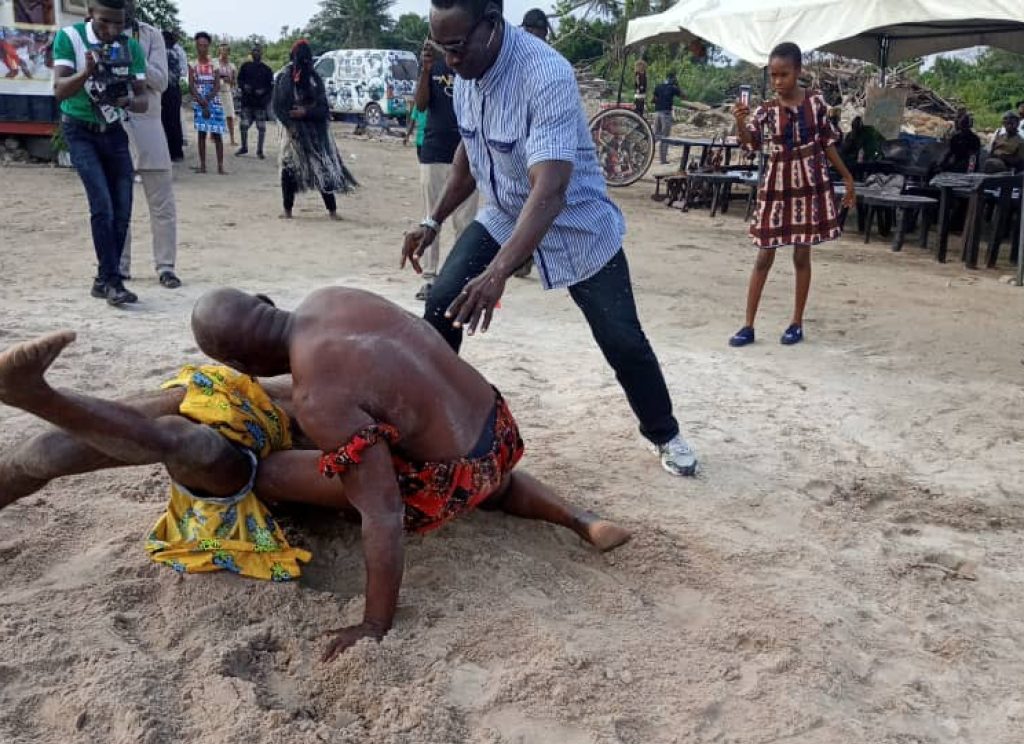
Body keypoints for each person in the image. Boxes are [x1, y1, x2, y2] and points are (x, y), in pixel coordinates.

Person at [0, 288, 633, 658]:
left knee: (250, 465)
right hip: (495, 439)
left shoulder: (319, 400)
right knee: (206, 401)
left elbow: (382, 510)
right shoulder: (334, 301)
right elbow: (341, 391)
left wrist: (374, 621)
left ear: (242, 356)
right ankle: (583, 521)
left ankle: (43, 409)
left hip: (442, 486)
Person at [401, 0, 698, 478]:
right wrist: (432, 221)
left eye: (456, 47)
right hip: (504, 211)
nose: (450, 59)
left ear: (492, 25)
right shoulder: (466, 73)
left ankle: (664, 433)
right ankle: (428, 427)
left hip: (574, 222)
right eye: (441, 47)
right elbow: (468, 153)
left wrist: (498, 271)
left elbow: (552, 189)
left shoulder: (545, 75)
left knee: (621, 339)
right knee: (441, 305)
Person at [0, 335, 313, 580]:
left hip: (254, 467)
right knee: (195, 398)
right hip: (257, 414)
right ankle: (37, 399)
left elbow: (299, 477)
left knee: (190, 440)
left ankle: (41, 399)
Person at [729, 41, 856, 348]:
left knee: (802, 255)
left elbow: (827, 143)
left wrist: (848, 179)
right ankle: (748, 325)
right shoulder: (765, 111)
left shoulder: (816, 104)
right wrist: (739, 122)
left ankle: (796, 323)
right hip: (776, 186)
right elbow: (751, 144)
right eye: (773, 76)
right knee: (764, 255)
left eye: (783, 75)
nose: (778, 82)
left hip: (809, 184)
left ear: (798, 72)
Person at [52, 0, 148, 307]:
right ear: (90, 14)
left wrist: (127, 101)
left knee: (123, 209)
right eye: (106, 22)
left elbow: (143, 98)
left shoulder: (129, 46)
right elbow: (60, 89)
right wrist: (87, 72)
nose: (113, 29)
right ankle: (114, 281)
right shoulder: (71, 38)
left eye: (119, 23)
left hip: (114, 130)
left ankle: (103, 280)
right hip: (79, 130)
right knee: (102, 205)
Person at [411, 38, 478, 301]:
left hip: (469, 152)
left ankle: (461, 278)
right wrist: (426, 70)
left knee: (465, 221)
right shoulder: (433, 65)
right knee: (431, 217)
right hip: (435, 150)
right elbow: (420, 105)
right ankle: (430, 278)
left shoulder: (471, 64)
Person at [121, 2, 181, 289]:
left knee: (162, 204)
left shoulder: (151, 35)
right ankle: (119, 268)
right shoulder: (94, 34)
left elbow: (162, 82)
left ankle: (166, 267)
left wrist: (132, 58)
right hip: (114, 126)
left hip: (149, 124)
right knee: (119, 203)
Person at [273, 40, 357, 220]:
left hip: (316, 134)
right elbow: (279, 107)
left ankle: (332, 210)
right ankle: (287, 209)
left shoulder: (314, 79)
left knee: (323, 169)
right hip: (293, 134)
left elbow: (324, 109)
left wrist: (306, 112)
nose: (303, 62)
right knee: (288, 170)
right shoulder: (284, 78)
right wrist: (291, 125)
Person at [188, 31, 226, 174]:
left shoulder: (215, 63)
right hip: (199, 99)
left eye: (205, 45)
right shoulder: (192, 64)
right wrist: (201, 101)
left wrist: (206, 100)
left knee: (217, 134)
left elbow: (217, 85)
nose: (202, 48)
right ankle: (203, 165)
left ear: (209, 46)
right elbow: (191, 86)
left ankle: (220, 166)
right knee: (202, 134)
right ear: (196, 46)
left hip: (213, 100)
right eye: (199, 45)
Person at [236, 43, 273, 158]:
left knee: (261, 127)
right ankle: (244, 147)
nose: (256, 53)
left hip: (260, 103)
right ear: (251, 53)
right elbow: (239, 80)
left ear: (261, 53)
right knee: (243, 125)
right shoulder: (245, 66)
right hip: (247, 101)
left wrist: (263, 91)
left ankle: (260, 150)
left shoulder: (267, 70)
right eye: (254, 51)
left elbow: (270, 86)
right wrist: (244, 86)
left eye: (258, 51)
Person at [160, 29, 184, 161]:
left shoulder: (165, 52)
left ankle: (171, 152)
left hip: (167, 90)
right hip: (175, 89)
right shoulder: (176, 52)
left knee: (167, 121)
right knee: (175, 121)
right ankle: (177, 151)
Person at [653, 72, 682, 165]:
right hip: (666, 114)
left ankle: (645, 154)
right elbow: (684, 96)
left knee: (655, 136)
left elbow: (653, 99)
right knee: (665, 137)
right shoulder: (673, 88)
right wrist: (677, 86)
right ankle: (663, 160)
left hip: (657, 113)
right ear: (673, 79)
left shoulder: (658, 87)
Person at [216, 42, 238, 147]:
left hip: (227, 92)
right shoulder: (214, 64)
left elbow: (234, 83)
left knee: (230, 116)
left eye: (226, 50)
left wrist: (229, 80)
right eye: (222, 50)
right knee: (216, 114)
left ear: (229, 52)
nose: (224, 52)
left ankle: (232, 139)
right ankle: (213, 136)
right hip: (216, 92)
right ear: (219, 51)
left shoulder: (232, 66)